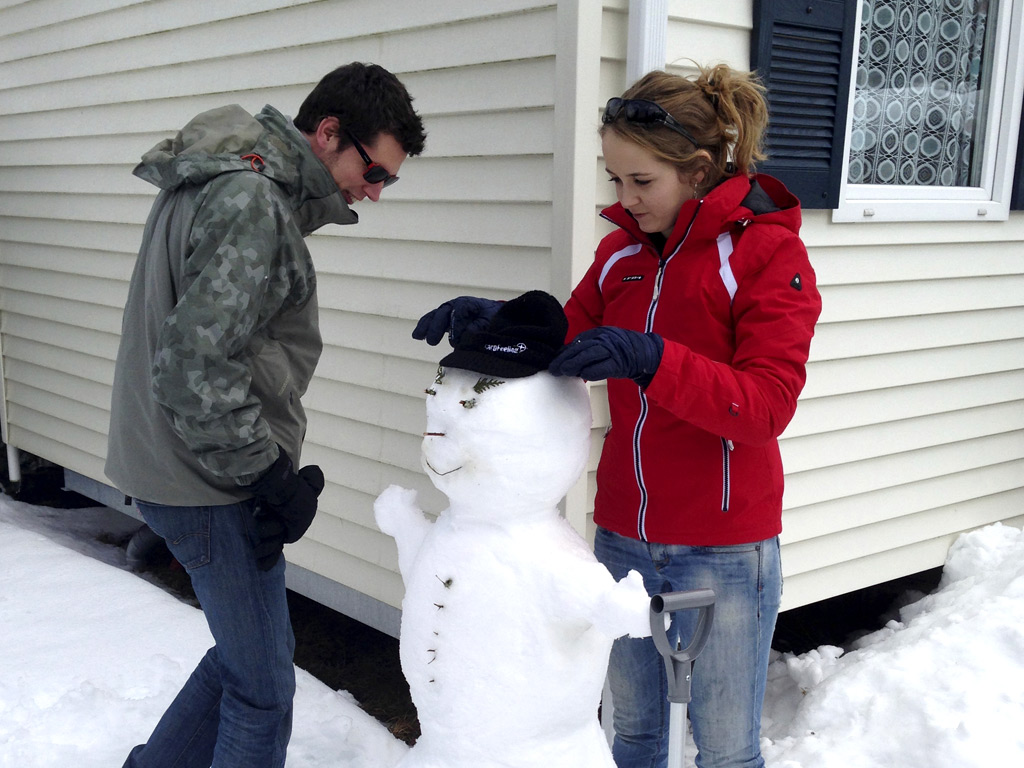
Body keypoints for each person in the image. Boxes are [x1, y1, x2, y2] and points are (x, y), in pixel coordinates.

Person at [412, 63, 821, 768]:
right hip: (624, 539)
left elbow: (765, 406)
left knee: (724, 748)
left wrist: (654, 360)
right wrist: (495, 325)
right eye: (615, 180)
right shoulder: (619, 257)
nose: (625, 200)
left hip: (724, 548)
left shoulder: (764, 253)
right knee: (631, 734)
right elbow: (560, 345)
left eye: (642, 182)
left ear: (696, 170)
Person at [105, 62, 425, 768]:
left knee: (251, 657)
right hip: (205, 480)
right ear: (327, 133)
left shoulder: (226, 174)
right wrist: (265, 477)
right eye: (375, 171)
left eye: (387, 182)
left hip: (174, 464)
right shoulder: (252, 201)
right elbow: (194, 368)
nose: (373, 193)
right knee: (263, 691)